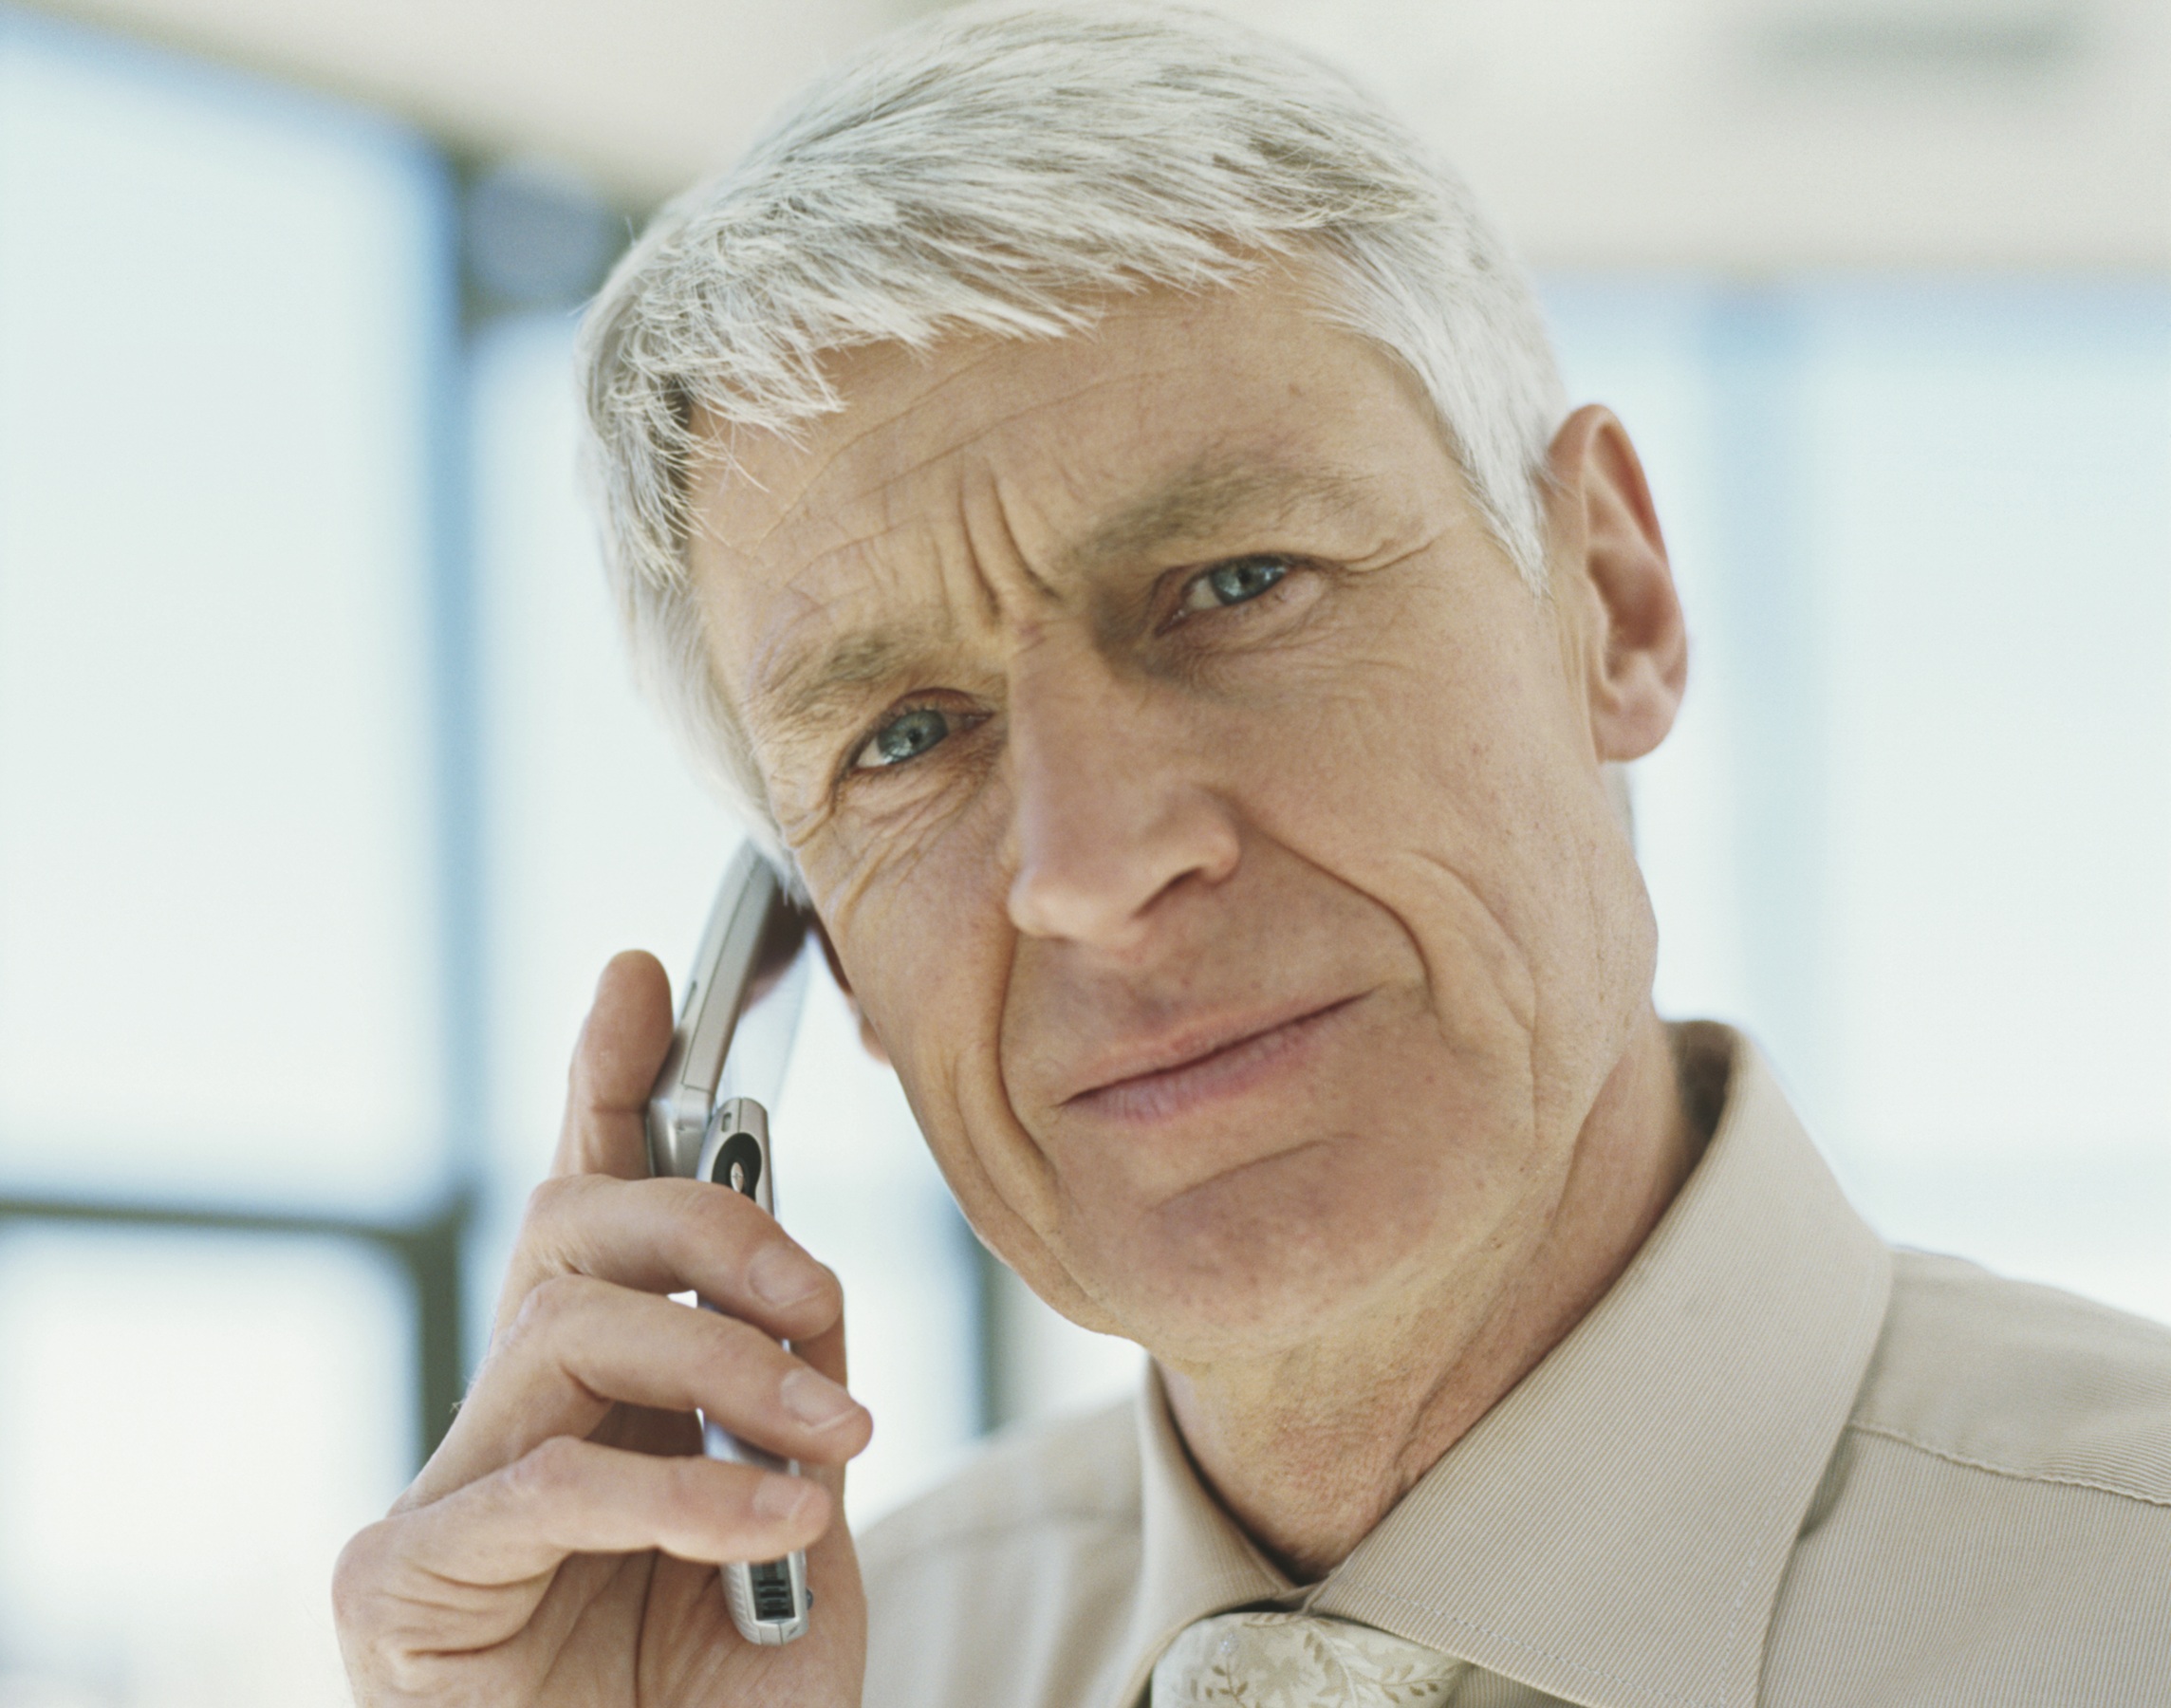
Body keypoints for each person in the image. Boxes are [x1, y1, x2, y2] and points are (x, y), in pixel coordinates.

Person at [332, 5, 2171, 1703]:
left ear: (1604, 602)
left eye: (1232, 585)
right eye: (900, 737)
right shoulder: (859, 1663)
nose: (1092, 865)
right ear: (816, 955)